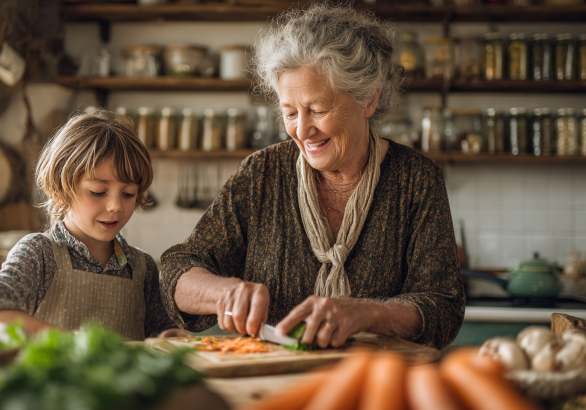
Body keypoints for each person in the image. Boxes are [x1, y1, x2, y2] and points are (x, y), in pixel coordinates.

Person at [160, 4, 465, 349]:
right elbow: (176, 269)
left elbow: (443, 307)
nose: (302, 130)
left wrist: (369, 313)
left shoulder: (416, 180)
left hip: (376, 385)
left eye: (318, 110)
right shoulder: (261, 174)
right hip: (273, 383)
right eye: (290, 112)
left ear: (368, 99)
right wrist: (223, 292)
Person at [0, 110, 184, 340]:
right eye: (98, 192)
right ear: (59, 191)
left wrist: (170, 338)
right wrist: (72, 343)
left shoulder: (143, 268)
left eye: (128, 193)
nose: (116, 206)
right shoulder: (39, 254)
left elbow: (158, 334)